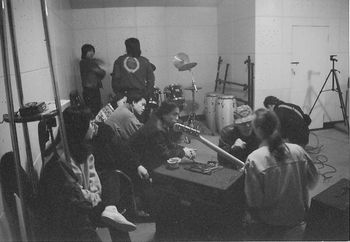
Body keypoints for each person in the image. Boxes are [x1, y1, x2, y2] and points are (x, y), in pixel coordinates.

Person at [244, 109, 319, 240]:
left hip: (270, 226)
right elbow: (313, 180)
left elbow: (254, 201)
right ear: (276, 125)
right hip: (297, 221)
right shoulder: (298, 150)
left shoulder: (254, 159)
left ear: (258, 130)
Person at [63, 107, 136, 238]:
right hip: (79, 206)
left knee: (111, 173)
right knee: (115, 219)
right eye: (90, 123)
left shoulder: (84, 148)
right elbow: (76, 191)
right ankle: (110, 209)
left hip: (92, 198)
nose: (94, 126)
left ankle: (111, 208)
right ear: (79, 128)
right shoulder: (64, 158)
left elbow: (92, 176)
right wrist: (96, 200)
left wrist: (96, 194)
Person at [128, 101, 196, 213]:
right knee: (175, 170)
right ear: (165, 114)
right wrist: (183, 153)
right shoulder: (157, 129)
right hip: (136, 161)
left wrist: (183, 149)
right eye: (174, 114)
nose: (177, 118)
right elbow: (165, 153)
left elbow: (167, 143)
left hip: (143, 155)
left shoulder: (158, 120)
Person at [218, 105, 260, 169]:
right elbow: (222, 160)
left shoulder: (258, 131)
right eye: (243, 123)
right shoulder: (227, 133)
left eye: (249, 121)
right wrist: (234, 149)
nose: (248, 126)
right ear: (236, 124)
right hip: (237, 167)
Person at [80, 44, 106, 116]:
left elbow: (100, 73)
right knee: (94, 111)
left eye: (92, 51)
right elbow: (101, 72)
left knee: (94, 110)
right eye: (89, 51)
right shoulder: (87, 62)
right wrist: (103, 71)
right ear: (85, 52)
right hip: (90, 91)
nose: (92, 53)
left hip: (92, 89)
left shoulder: (85, 62)